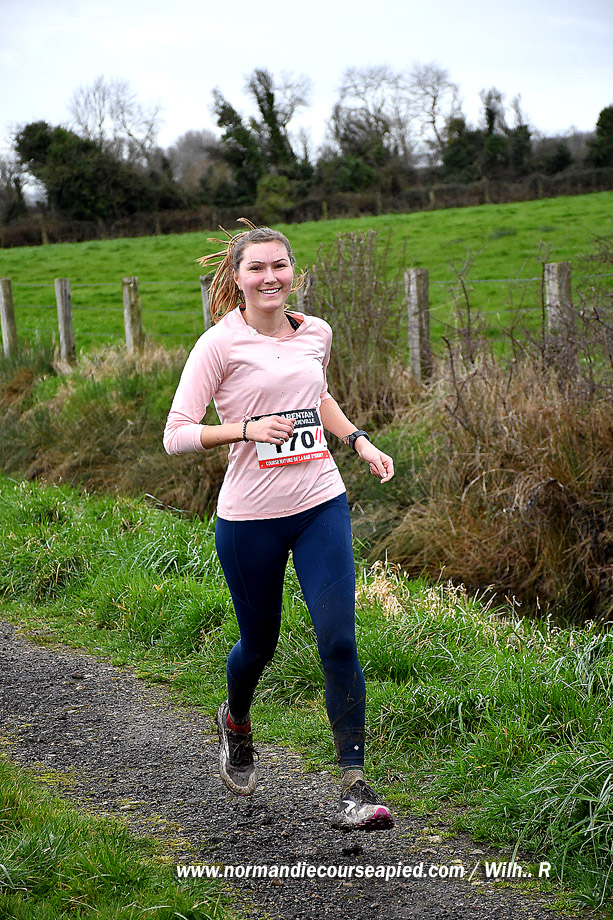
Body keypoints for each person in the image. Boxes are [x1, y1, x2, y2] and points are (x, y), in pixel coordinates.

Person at [163, 221, 395, 831]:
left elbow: (317, 397)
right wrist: (245, 430)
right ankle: (235, 722)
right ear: (237, 278)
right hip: (250, 519)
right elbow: (176, 434)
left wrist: (359, 440)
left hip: (321, 502)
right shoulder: (218, 345)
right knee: (259, 645)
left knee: (338, 640)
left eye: (279, 266)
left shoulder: (316, 331)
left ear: (293, 271)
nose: (270, 277)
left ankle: (354, 787)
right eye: (257, 268)